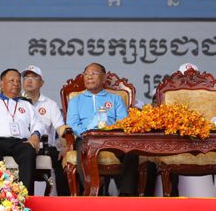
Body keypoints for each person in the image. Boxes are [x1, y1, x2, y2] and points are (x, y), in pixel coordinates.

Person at [66, 63, 138, 196]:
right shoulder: (76, 101)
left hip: (112, 138)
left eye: (93, 73)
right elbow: (73, 124)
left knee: (131, 151)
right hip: (87, 138)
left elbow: (124, 123)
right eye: (86, 74)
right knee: (84, 149)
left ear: (104, 78)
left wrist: (110, 129)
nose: (89, 77)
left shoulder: (115, 99)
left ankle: (126, 195)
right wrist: (87, 131)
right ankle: (91, 192)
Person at [0, 69, 45, 194]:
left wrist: (35, 134)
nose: (16, 83)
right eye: (12, 80)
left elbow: (38, 123)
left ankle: (25, 195)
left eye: (18, 81)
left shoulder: (26, 105)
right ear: (2, 83)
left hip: (19, 142)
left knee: (28, 151)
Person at [22, 65, 71, 195]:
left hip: (45, 148)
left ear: (42, 83)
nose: (29, 80)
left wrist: (65, 146)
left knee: (62, 161)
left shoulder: (50, 104)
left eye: (34, 77)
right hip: (20, 147)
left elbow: (60, 127)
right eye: (26, 77)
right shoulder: (16, 102)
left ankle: (64, 201)